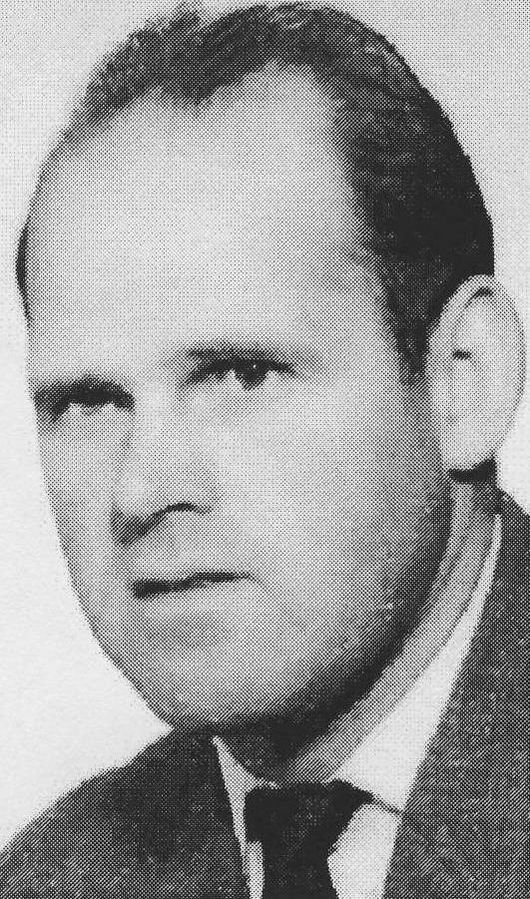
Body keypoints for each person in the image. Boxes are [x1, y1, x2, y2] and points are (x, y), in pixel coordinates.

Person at [0, 3, 528, 897]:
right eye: (90, 402)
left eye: (240, 375)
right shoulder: (53, 878)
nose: (141, 489)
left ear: (463, 382)